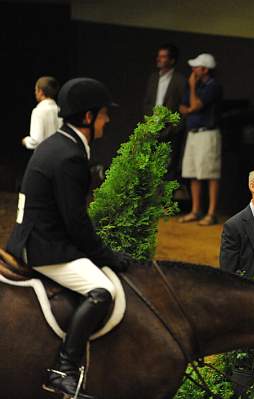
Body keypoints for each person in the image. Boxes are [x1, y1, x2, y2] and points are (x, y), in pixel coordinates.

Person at [6, 77, 133, 399]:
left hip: (35, 234)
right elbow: (76, 223)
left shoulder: (60, 143)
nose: (108, 120)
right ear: (89, 117)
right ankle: (63, 369)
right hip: (43, 245)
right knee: (102, 290)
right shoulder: (70, 156)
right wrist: (107, 256)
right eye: (104, 114)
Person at [178, 53, 223, 225]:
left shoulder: (214, 86)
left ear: (205, 69)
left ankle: (211, 213)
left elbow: (195, 106)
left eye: (196, 67)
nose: (193, 70)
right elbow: (184, 107)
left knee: (210, 173)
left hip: (208, 133)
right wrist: (191, 96)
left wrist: (191, 90)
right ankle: (196, 210)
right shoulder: (195, 86)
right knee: (192, 173)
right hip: (193, 133)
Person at [142, 43, 186, 180]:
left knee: (168, 167)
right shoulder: (153, 78)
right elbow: (147, 102)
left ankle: (165, 199)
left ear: (172, 60)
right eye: (158, 56)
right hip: (153, 127)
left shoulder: (180, 80)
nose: (159, 59)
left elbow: (182, 107)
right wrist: (149, 121)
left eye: (163, 56)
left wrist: (175, 127)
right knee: (150, 165)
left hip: (170, 130)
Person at [22, 76, 62, 150]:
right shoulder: (59, 110)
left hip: (44, 156)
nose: (35, 93)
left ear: (40, 92)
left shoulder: (39, 111)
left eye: (36, 90)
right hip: (59, 154)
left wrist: (25, 141)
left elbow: (36, 141)